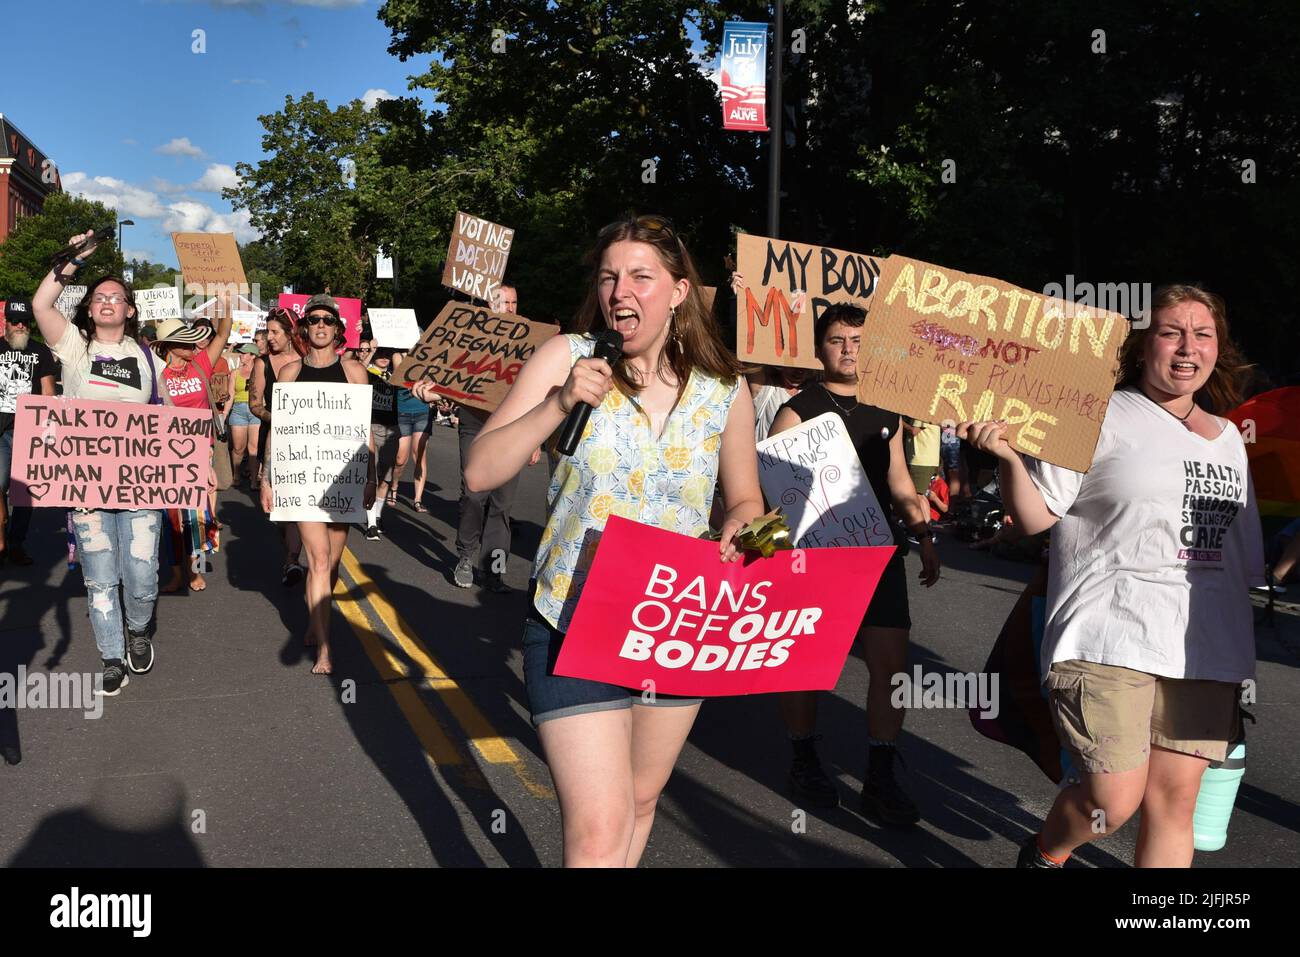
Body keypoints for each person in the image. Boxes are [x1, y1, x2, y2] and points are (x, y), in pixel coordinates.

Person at [447, 216, 764, 867]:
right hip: (572, 620)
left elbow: (747, 501)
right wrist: (559, 404)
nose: (621, 290)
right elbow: (479, 469)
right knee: (597, 828)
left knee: (641, 800)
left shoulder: (726, 390)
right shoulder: (566, 357)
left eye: (641, 276)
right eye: (609, 276)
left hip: (675, 622)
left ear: (678, 290)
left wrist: (746, 530)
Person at [960, 284, 1262, 868]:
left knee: (1176, 804)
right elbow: (1035, 516)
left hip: (1205, 647)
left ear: (1217, 348)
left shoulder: (1230, 440)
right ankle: (1046, 855)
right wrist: (1008, 455)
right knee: (1113, 801)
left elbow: (1243, 560)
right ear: (1144, 344)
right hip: (1108, 635)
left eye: (1202, 334)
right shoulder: (1098, 414)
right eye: (1171, 332)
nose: (1186, 348)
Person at [766, 303, 941, 822]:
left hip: (877, 554)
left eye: (858, 341)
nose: (848, 350)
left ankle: (881, 777)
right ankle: (803, 758)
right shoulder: (797, 410)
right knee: (806, 664)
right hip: (813, 558)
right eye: (838, 340)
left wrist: (923, 533)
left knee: (891, 668)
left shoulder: (888, 411)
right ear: (820, 348)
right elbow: (775, 492)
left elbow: (900, 482)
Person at [30, 231, 167, 695]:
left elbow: (168, 421)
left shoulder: (149, 359)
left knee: (143, 572)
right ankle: (112, 656)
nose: (108, 302)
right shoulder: (73, 347)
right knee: (101, 577)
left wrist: (198, 464)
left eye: (117, 297)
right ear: (89, 308)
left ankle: (139, 628)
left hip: (141, 484)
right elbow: (42, 304)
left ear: (130, 310)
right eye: (99, 297)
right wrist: (73, 259)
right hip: (86, 485)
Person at [260, 294, 375, 674]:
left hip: (342, 481)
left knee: (333, 561)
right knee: (319, 559)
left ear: (339, 329)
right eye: (314, 320)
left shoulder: (354, 372)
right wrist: (267, 478)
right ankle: (326, 649)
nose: (321, 325)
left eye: (327, 320)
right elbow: (278, 429)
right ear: (306, 329)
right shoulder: (290, 372)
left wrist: (370, 477)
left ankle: (315, 619)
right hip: (302, 483)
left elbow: (364, 432)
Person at [452, 283, 540, 592]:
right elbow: (450, 370)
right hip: (474, 424)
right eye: (504, 302)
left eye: (515, 302)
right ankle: (465, 556)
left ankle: (494, 570)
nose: (511, 308)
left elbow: (538, 390)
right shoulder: (473, 335)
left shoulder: (530, 340)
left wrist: (535, 439)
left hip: (513, 431)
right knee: (474, 496)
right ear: (491, 305)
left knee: (503, 506)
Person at [249, 308, 305, 584]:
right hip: (274, 437)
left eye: (274, 332)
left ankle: (292, 561)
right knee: (282, 507)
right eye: (267, 332)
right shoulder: (262, 364)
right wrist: (280, 417)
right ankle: (291, 553)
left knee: (301, 502)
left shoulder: (308, 360)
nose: (268, 337)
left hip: (308, 441)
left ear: (291, 333)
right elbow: (255, 404)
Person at [0, 299, 57, 566]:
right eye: (15, 320)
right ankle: (1, 534)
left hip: (29, 433)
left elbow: (48, 392)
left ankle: (16, 544)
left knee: (24, 496)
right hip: (1, 434)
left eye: (25, 321)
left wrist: (48, 430)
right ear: (6, 321)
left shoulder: (41, 351)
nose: (20, 325)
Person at [364, 345, 400, 539]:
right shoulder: (368, 373)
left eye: (388, 354)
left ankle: (377, 517)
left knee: (385, 476)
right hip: (371, 426)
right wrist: (371, 350)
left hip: (391, 429)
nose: (384, 357)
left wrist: (395, 353)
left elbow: (405, 367)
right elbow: (357, 368)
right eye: (381, 354)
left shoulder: (395, 375)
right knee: (372, 474)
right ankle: (370, 524)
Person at [393, 376, 434, 512]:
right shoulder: (399, 359)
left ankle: (418, 499)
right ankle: (394, 486)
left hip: (422, 413)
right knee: (400, 459)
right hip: (401, 412)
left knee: (419, 454)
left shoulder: (429, 363)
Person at [228, 343, 261, 487]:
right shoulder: (235, 373)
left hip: (256, 410)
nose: (241, 355)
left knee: (253, 448)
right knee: (238, 448)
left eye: (244, 353)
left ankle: (254, 480)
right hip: (238, 410)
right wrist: (224, 413)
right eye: (241, 353)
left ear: (253, 356)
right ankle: (236, 475)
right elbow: (230, 395)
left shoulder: (260, 372)